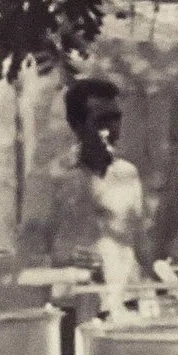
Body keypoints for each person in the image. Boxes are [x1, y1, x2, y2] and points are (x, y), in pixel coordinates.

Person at [19, 77, 150, 286]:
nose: (111, 130)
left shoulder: (128, 175)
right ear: (77, 125)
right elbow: (25, 273)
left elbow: (142, 255)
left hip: (125, 300)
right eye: (100, 121)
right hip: (73, 301)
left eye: (115, 119)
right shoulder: (48, 180)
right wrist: (75, 271)